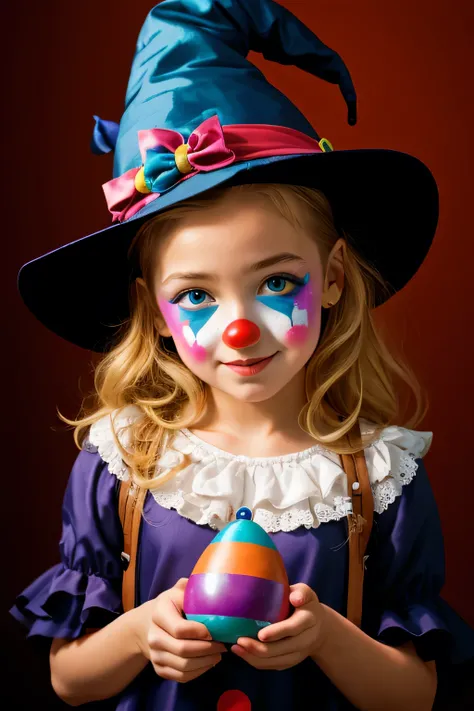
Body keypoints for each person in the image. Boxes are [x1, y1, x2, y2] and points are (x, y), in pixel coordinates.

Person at [9, 1, 474, 709]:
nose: (239, 328)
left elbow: (414, 694)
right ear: (152, 312)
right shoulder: (125, 460)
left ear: (336, 279)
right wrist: (139, 633)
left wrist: (326, 635)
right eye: (197, 295)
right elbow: (68, 680)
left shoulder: (380, 473)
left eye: (277, 282)